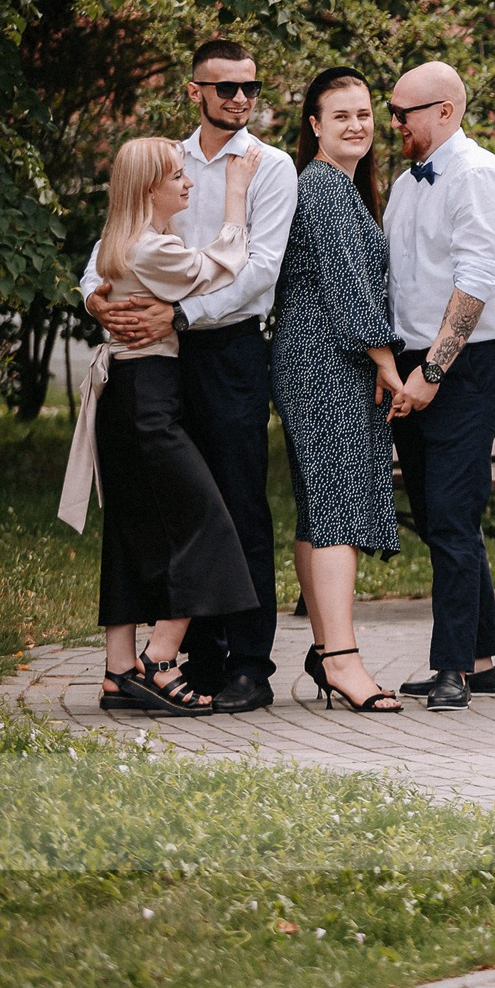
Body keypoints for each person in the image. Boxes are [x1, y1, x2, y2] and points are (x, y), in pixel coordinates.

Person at [81, 39, 299, 715]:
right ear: (194, 90)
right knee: (174, 507)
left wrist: (177, 313)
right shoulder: (166, 160)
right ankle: (189, 660)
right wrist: (95, 297)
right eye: (225, 87)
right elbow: (109, 246)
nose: (239, 98)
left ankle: (249, 663)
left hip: (227, 350)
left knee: (236, 504)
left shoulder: (270, 165)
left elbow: (259, 267)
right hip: (158, 365)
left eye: (249, 87)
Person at [60, 137, 262, 716]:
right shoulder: (151, 249)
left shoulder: (117, 245)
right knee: (209, 522)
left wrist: (93, 297)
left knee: (130, 530)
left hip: (127, 396)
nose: (187, 183)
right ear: (148, 188)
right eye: (176, 176)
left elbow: (97, 273)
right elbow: (224, 267)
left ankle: (118, 670)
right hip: (147, 397)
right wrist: (236, 195)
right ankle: (158, 660)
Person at [383, 61, 495, 712]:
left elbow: (478, 278)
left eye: (402, 112)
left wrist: (434, 371)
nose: (393, 123)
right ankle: (481, 657)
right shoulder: (407, 183)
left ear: (445, 111)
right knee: (444, 510)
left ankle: (451, 668)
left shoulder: (476, 176)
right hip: (415, 361)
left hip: (465, 363)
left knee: (450, 513)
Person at [270, 68, 405, 713]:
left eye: (365, 114)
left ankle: (328, 649)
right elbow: (349, 293)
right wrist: (388, 363)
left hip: (323, 359)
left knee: (320, 503)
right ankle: (344, 660)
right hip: (325, 361)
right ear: (315, 126)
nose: (357, 125)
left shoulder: (342, 189)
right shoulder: (322, 189)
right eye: (342, 115)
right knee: (335, 507)